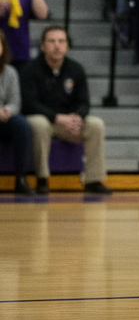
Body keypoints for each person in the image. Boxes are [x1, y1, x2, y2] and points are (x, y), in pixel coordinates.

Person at [22, 26, 110, 195]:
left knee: (96, 124)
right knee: (38, 124)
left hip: (68, 123)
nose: (57, 46)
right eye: (52, 41)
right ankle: (42, 179)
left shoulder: (76, 69)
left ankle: (93, 180)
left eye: (61, 41)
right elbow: (29, 104)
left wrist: (77, 118)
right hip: (44, 120)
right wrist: (57, 117)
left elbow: (84, 102)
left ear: (67, 46)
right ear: (42, 46)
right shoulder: (30, 70)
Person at [0, 30, 32, 194]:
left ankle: (21, 178)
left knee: (20, 122)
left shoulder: (10, 72)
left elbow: (15, 102)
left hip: (3, 121)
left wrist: (7, 111)